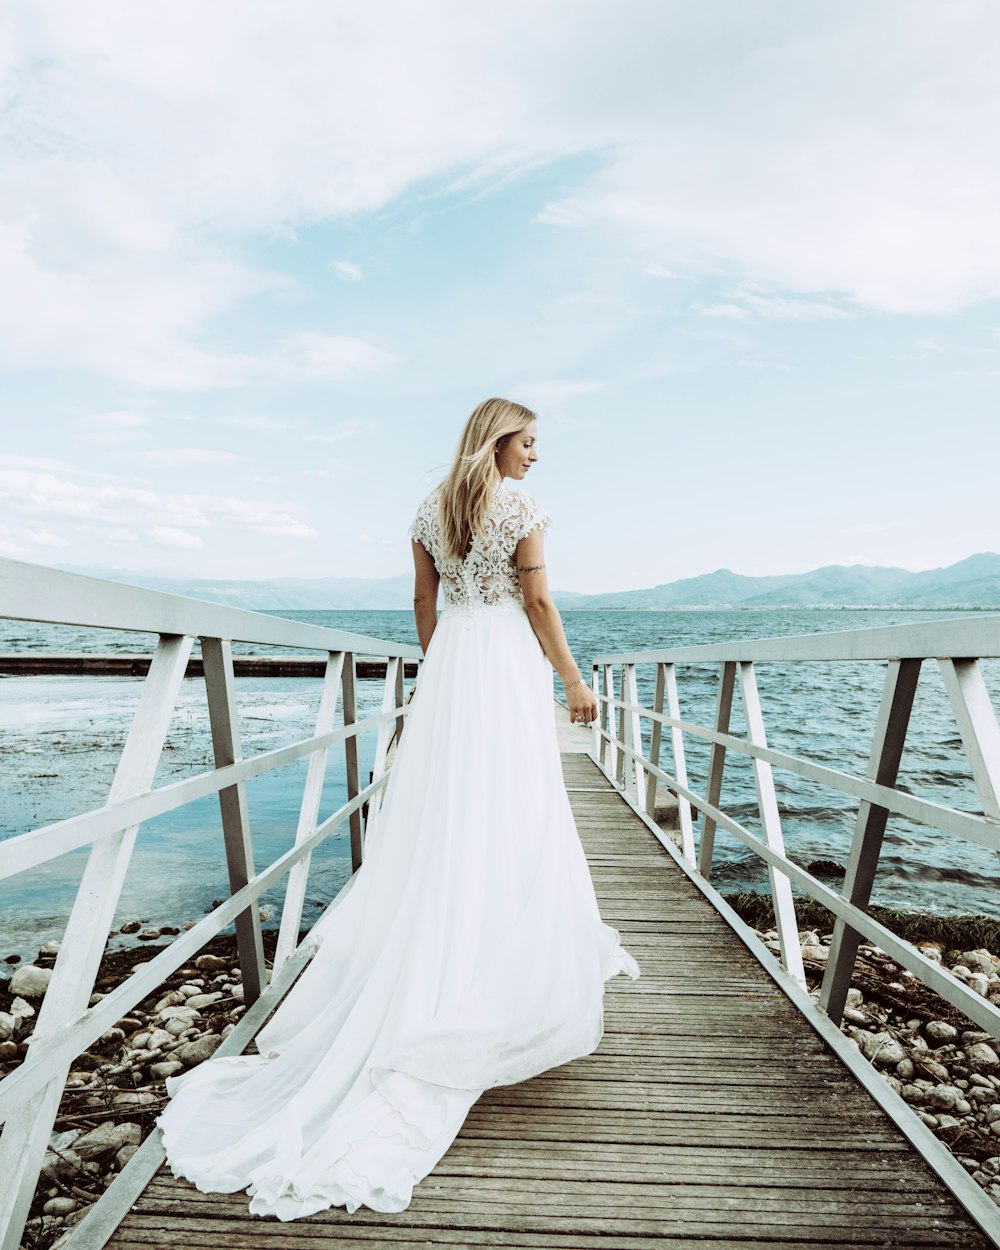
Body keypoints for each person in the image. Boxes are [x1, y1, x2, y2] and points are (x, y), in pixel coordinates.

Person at [157, 397, 639, 1220]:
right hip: (504, 661)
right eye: (528, 443)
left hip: (454, 658)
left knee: (445, 812)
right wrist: (574, 680)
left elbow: (424, 606)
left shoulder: (427, 506)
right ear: (498, 441)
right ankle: (490, 960)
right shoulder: (520, 507)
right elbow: (540, 606)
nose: (535, 457)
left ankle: (440, 943)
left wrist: (444, 665)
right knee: (512, 807)